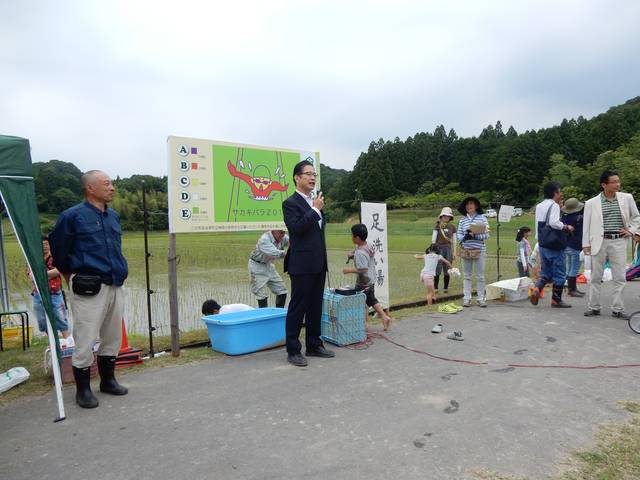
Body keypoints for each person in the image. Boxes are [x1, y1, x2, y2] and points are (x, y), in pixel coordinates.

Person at [49, 170, 128, 409]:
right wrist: (69, 276)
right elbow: (59, 251)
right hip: (88, 287)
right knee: (85, 337)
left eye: (112, 183)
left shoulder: (113, 216)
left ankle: (108, 380)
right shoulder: (72, 216)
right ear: (90, 189)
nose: (112, 187)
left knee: (112, 336)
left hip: (115, 283)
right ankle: (82, 389)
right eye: (107, 184)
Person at [282, 160, 334, 367]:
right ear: (297, 177)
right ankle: (293, 349)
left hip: (319, 264)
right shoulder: (290, 203)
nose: (313, 178)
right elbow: (296, 229)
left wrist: (316, 209)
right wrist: (314, 210)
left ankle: (313, 344)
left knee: (315, 306)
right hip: (302, 265)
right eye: (308, 174)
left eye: (314, 174)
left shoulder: (317, 203)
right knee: (298, 307)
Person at [583, 170, 640, 318]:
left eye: (618, 181)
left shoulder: (627, 198)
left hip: (619, 241)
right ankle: (594, 307)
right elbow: (586, 225)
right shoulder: (591, 203)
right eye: (613, 182)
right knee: (596, 276)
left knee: (619, 276)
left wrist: (632, 231)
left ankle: (618, 309)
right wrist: (585, 244)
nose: (617, 184)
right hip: (598, 242)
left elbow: (636, 217)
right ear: (604, 185)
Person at [529, 182, 574, 308]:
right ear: (555, 193)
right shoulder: (553, 205)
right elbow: (554, 222)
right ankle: (556, 300)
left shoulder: (539, 205)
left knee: (546, 271)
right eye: (560, 192)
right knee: (559, 272)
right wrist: (566, 226)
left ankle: (537, 289)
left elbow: (540, 224)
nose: (561, 194)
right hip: (554, 244)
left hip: (543, 243)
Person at [343, 223, 392, 330]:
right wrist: (353, 254)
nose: (351, 237)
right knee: (371, 300)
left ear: (357, 238)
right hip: (371, 279)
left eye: (352, 235)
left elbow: (363, 269)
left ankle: (364, 326)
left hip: (363, 282)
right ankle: (384, 317)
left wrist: (348, 270)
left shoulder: (360, 252)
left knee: (361, 303)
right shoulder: (367, 244)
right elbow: (365, 252)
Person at [28, 236, 71, 339]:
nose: (45, 247)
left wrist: (41, 274)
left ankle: (68, 341)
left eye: (47, 244)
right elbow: (30, 275)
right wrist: (46, 274)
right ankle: (53, 341)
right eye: (42, 245)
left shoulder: (55, 257)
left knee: (61, 318)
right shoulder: (34, 258)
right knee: (42, 320)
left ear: (50, 245)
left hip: (54, 293)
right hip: (38, 293)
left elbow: (58, 270)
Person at [456, 196, 490, 307]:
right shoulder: (462, 220)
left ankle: (481, 298)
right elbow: (459, 235)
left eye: (471, 203)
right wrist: (465, 237)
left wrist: (475, 235)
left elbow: (487, 234)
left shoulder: (482, 218)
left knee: (480, 276)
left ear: (476, 206)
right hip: (466, 250)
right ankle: (467, 298)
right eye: (467, 204)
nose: (468, 206)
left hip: (480, 250)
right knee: (466, 275)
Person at [248, 230, 289, 308]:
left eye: (284, 232)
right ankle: (264, 316)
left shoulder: (283, 236)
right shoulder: (264, 239)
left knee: (282, 291)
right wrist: (293, 253)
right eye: (280, 232)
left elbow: (292, 240)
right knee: (261, 295)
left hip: (269, 265)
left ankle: (278, 314)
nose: (283, 235)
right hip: (256, 266)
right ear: (273, 231)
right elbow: (275, 253)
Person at [561, 198, 585, 297]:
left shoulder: (563, 218)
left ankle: (570, 288)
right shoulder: (579, 218)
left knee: (570, 266)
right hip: (576, 245)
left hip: (567, 245)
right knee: (574, 268)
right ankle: (572, 289)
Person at [432, 207, 457, 295]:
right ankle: (435, 288)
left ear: (450, 217)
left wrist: (454, 253)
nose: (446, 217)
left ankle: (446, 288)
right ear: (441, 216)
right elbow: (433, 240)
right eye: (444, 215)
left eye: (448, 216)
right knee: (437, 269)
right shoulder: (437, 226)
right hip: (438, 249)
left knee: (448, 269)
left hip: (448, 249)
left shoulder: (452, 227)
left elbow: (454, 241)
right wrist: (433, 251)